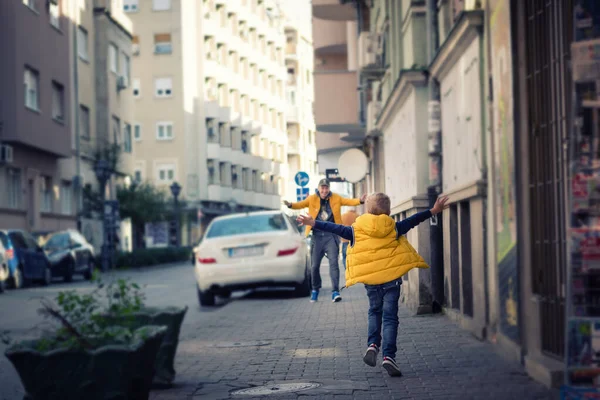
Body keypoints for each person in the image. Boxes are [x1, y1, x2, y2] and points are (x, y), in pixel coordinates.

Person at [296, 192, 449, 377]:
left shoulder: (356, 229)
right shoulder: (393, 227)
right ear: (389, 211)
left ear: (368, 211)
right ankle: (388, 356)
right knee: (390, 318)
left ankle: (373, 345)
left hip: (371, 282)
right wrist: (433, 210)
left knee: (374, 312)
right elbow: (413, 220)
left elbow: (335, 228)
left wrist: (313, 223)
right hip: (391, 281)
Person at [284, 178, 366, 303]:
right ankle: (315, 289)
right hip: (317, 236)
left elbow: (348, 201)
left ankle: (335, 291)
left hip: (332, 235)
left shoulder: (336, 198)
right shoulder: (312, 199)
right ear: (318, 188)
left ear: (329, 188)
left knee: (334, 264)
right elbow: (300, 204)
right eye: (322, 188)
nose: (324, 190)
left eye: (326, 188)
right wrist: (290, 205)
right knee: (314, 266)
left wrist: (360, 200)